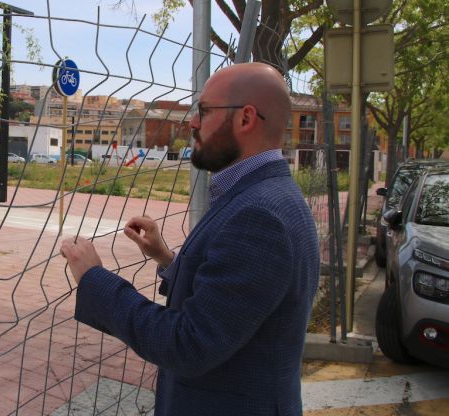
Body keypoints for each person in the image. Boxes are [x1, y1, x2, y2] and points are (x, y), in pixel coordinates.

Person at [60, 62, 320, 415]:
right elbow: (236, 301)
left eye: (204, 111)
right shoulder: (269, 193)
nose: (192, 123)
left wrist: (95, 280)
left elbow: (188, 344)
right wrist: (168, 260)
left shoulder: (259, 215)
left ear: (245, 119)